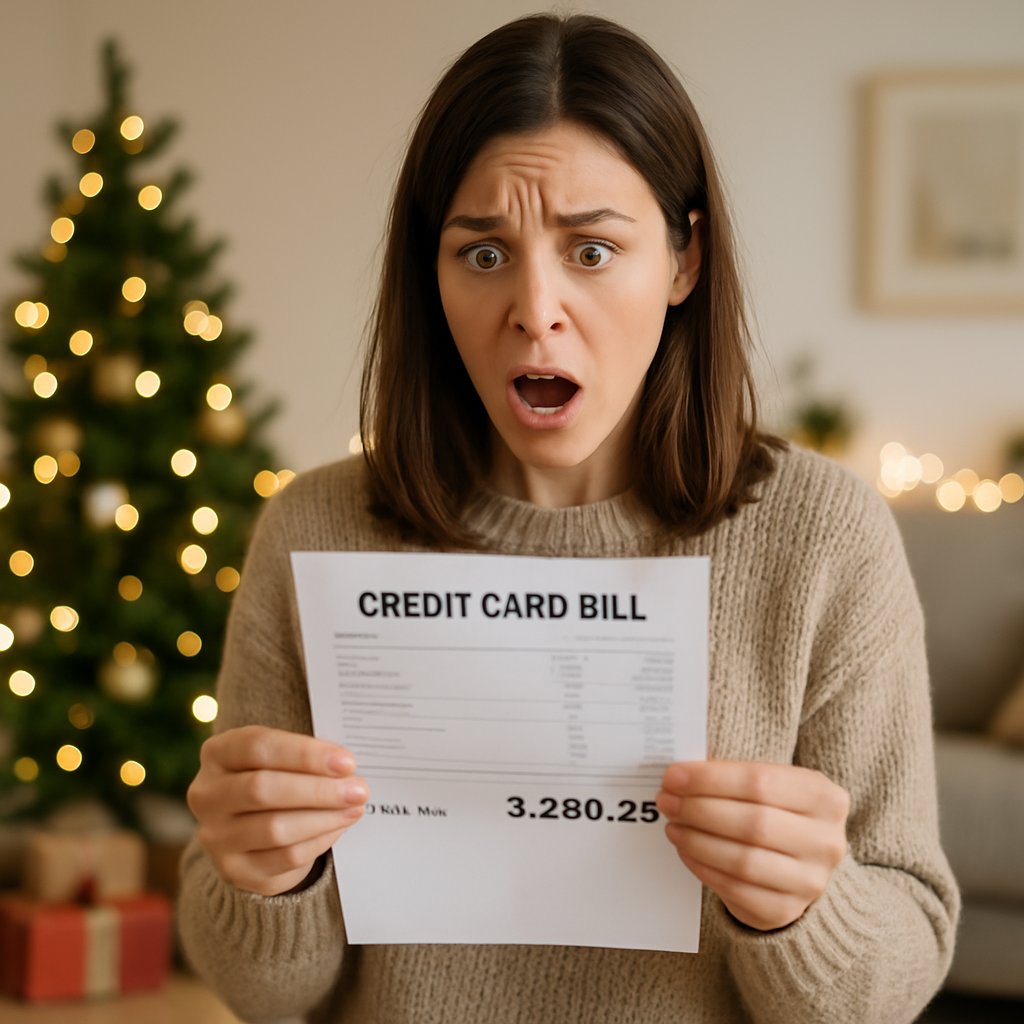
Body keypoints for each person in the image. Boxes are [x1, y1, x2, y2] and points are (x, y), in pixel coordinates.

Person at [178, 13, 959, 1024]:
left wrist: (803, 907)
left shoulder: (824, 536)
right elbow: (262, 991)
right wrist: (259, 878)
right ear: (432, 271)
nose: (534, 307)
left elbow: (890, 976)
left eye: (591, 249)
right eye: (484, 253)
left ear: (683, 261)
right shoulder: (316, 527)